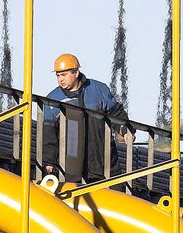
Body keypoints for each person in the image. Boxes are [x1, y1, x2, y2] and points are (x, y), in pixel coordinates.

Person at [41, 53, 130, 184]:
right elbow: (49, 134)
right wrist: (49, 162)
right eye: (58, 75)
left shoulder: (98, 90)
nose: (60, 79)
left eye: (64, 75)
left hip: (103, 162)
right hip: (71, 167)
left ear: (76, 73)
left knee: (117, 195)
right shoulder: (53, 99)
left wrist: (125, 130)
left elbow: (115, 112)